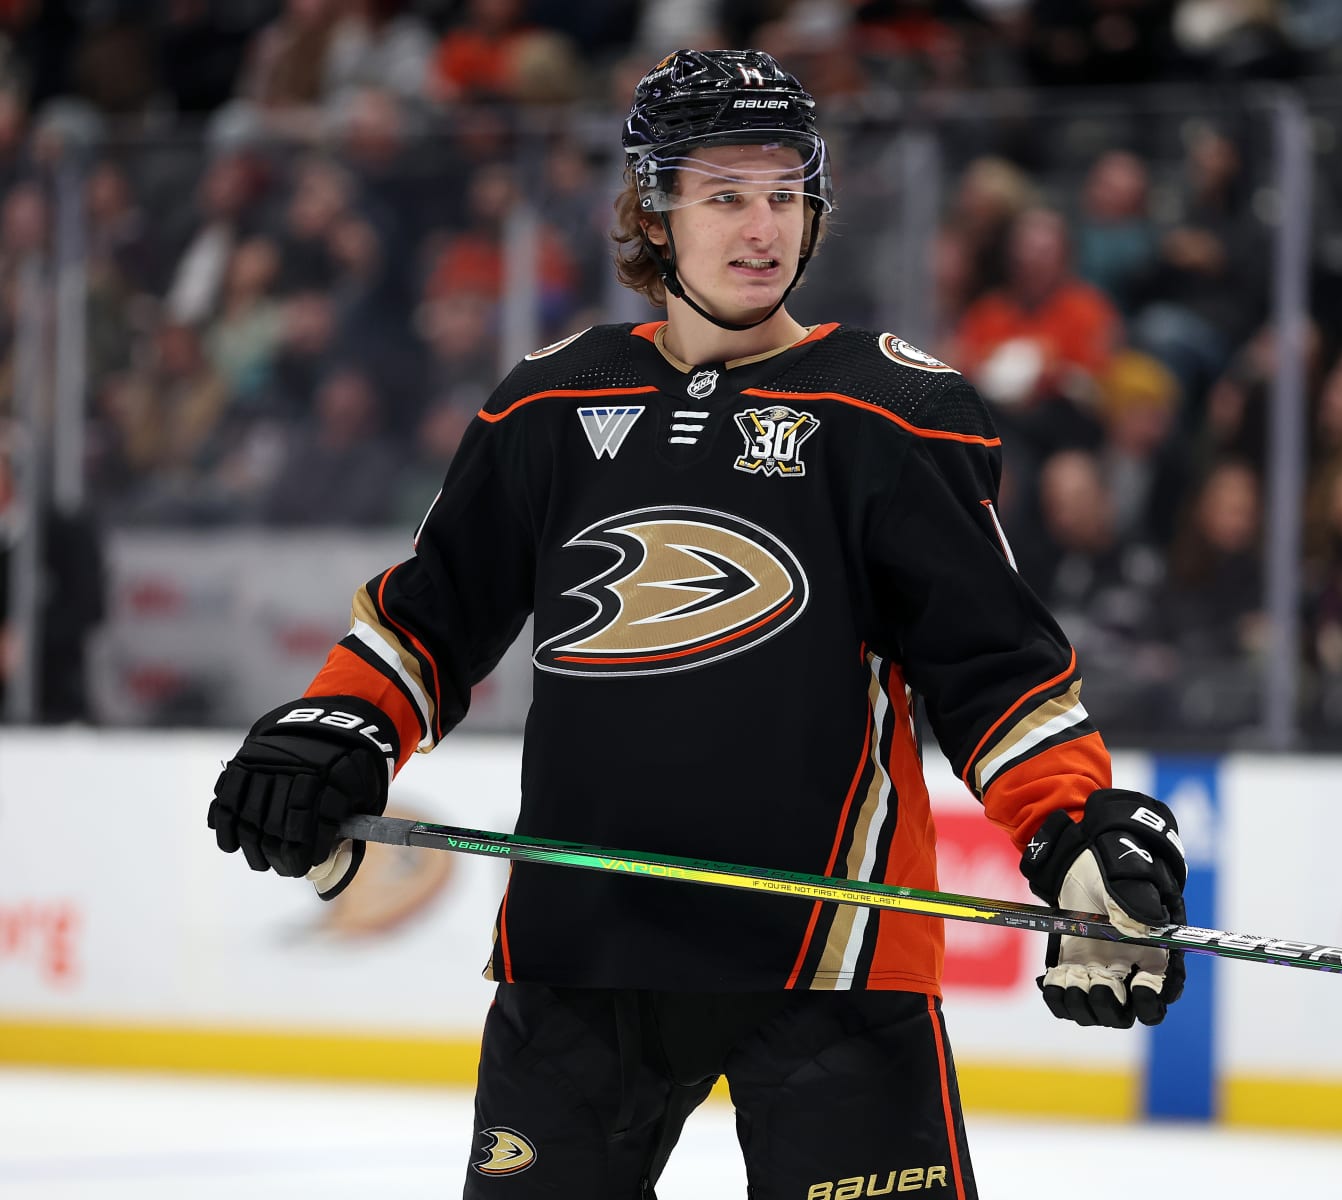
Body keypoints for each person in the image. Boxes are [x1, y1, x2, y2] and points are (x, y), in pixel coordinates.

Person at [206, 50, 1187, 1199]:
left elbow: (994, 669)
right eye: (725, 195)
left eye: (784, 193)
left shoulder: (891, 409)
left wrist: (1071, 831)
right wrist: (343, 723)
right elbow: (432, 618)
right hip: (579, 956)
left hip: (831, 964)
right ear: (654, 208)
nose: (762, 228)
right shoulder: (550, 401)